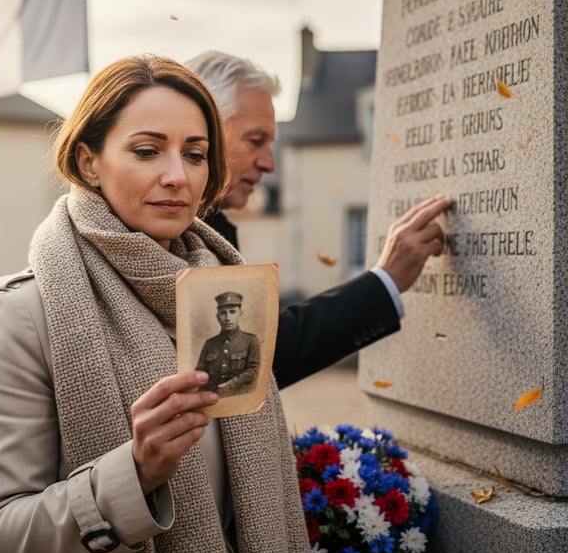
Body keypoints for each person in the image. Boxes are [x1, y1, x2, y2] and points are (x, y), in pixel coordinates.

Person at [0, 56, 323, 553]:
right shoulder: (24, 313)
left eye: (195, 155)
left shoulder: (226, 291)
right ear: (88, 161)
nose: (177, 175)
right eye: (147, 151)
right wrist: (133, 472)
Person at [185, 51, 452, 389]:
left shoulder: (208, 224)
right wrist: (385, 280)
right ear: (204, 128)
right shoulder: (171, 227)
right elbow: (264, 359)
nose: (270, 164)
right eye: (256, 141)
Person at [196, 291, 260, 396]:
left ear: (240, 313)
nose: (227, 318)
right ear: (217, 316)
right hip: (211, 398)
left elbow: (253, 371)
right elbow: (200, 373)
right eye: (223, 313)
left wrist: (228, 386)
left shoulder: (250, 341)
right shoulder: (210, 344)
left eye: (232, 312)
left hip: (240, 396)